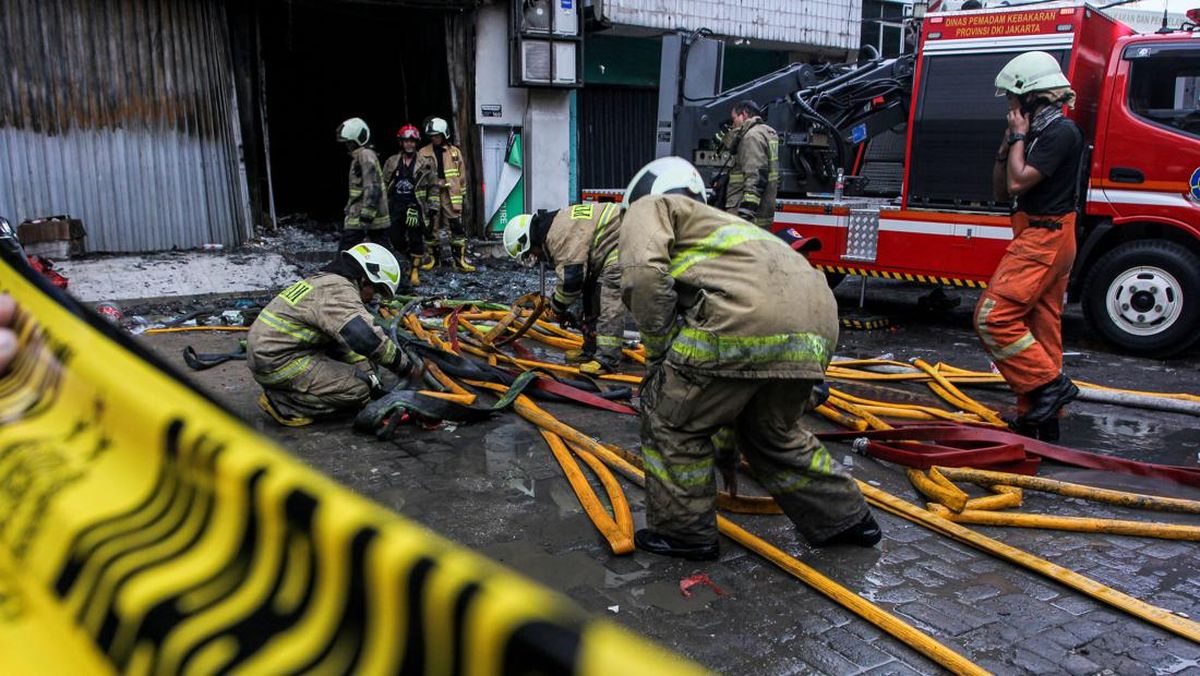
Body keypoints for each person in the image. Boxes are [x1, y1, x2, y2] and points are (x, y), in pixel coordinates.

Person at [619, 156, 880, 561]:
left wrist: (658, 357)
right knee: (770, 431)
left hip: (744, 320)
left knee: (670, 421)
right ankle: (846, 520)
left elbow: (641, 275)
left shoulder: (650, 207)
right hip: (820, 322)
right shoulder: (730, 230)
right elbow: (725, 398)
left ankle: (685, 533)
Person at [977, 51, 1083, 441]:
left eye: (1011, 98)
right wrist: (1007, 144)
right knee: (1042, 327)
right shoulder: (1036, 134)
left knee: (993, 317)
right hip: (1035, 233)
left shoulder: (1060, 133)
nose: (1008, 106)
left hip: (1046, 236)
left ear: (1032, 97)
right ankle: (1041, 419)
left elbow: (1020, 183)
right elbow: (1002, 188)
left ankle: (1049, 387)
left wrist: (1019, 137)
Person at [247, 243, 413, 427]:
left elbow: (346, 342)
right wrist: (405, 367)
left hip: (280, 352)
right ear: (365, 279)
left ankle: (296, 392)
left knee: (364, 367)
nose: (373, 298)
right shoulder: (337, 291)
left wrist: (369, 375)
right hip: (278, 362)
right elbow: (365, 338)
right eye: (376, 291)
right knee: (357, 390)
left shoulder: (327, 281)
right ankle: (283, 404)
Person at [502, 202, 626, 375]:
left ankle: (607, 361)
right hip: (612, 243)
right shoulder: (555, 225)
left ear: (529, 240)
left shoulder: (557, 237)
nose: (535, 257)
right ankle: (591, 350)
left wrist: (556, 307)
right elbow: (579, 279)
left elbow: (572, 282)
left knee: (608, 299)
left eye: (531, 253)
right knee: (591, 293)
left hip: (624, 245)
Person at [415, 117, 473, 271]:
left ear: (444, 134)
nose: (434, 138)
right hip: (432, 195)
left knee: (455, 228)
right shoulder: (423, 153)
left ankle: (459, 261)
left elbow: (462, 177)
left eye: (437, 135)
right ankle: (434, 260)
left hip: (450, 196)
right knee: (431, 227)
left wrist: (462, 198)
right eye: (432, 136)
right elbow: (419, 177)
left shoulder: (454, 153)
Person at [720, 100, 780, 229]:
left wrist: (746, 213)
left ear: (744, 115)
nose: (732, 124)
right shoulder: (767, 133)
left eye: (734, 119)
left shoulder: (751, 137)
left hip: (747, 217)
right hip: (763, 211)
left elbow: (755, 177)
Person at [336, 118, 390, 251]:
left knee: (346, 248)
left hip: (364, 217)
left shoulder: (365, 156)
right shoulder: (360, 157)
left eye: (349, 143)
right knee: (382, 248)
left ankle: (339, 270)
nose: (347, 146)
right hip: (364, 216)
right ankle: (398, 268)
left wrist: (366, 216)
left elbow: (373, 187)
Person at [384, 124, 427, 287]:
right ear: (401, 142)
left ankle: (415, 271)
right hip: (396, 206)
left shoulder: (424, 162)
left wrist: (432, 208)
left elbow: (433, 187)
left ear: (416, 143)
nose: (409, 144)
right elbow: (384, 183)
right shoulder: (391, 162)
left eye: (412, 141)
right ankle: (407, 261)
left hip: (415, 205)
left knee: (416, 238)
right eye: (406, 141)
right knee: (395, 238)